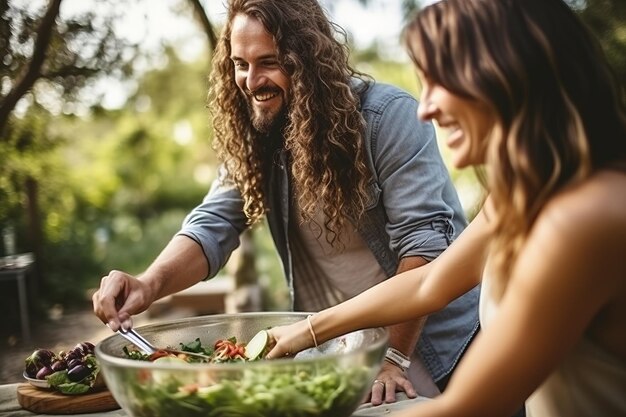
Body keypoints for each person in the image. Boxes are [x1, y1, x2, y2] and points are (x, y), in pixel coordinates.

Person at [91, 0, 480, 406]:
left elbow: (425, 247)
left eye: (269, 62)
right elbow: (212, 223)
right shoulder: (258, 131)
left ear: (307, 58)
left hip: (432, 344)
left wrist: (393, 358)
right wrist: (148, 283)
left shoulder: (386, 118)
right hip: (338, 349)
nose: (251, 80)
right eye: (240, 63)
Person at [265, 0, 626, 415]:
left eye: (441, 81)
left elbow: (467, 406)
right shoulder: (523, 198)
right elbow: (428, 283)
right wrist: (304, 332)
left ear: (506, 71)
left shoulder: (584, 218)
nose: (425, 108)